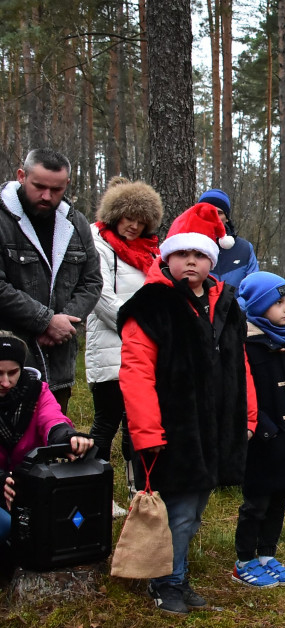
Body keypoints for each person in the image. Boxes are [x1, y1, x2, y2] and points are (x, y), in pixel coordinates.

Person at [118, 203, 258, 614]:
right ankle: (166, 582)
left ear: (212, 260)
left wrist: (247, 416)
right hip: (172, 429)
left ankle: (177, 575)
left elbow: (241, 364)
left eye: (199, 254)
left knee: (195, 510)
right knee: (178, 510)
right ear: (168, 257)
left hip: (215, 426)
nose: (191, 261)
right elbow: (136, 372)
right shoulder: (150, 305)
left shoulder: (226, 304)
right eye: (182, 254)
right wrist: (147, 432)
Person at [231, 272, 285, 588]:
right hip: (263, 438)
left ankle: (267, 555)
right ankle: (244, 560)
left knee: (280, 498)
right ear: (258, 306)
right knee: (257, 502)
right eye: (278, 303)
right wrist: (265, 428)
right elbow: (243, 391)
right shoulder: (246, 343)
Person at [0, 148, 102, 413]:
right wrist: (45, 321)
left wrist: (62, 324)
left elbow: (91, 282)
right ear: (21, 176)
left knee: (54, 432)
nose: (47, 196)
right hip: (6, 366)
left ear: (66, 184)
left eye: (56, 189)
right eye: (39, 186)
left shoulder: (76, 223)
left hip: (58, 364)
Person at [85, 177, 163, 489]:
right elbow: (99, 296)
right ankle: (96, 494)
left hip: (143, 350)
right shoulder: (97, 243)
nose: (134, 226)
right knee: (106, 422)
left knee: (137, 424)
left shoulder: (151, 251)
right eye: (129, 217)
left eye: (141, 221)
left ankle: (138, 491)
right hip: (110, 349)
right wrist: (142, 324)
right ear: (115, 214)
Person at [1, 331, 95, 545]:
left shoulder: (37, 392)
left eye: (12, 372)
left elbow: (52, 419)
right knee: (5, 525)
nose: (6, 382)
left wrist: (67, 438)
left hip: (27, 487)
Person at [198, 189, 259, 289]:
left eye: (219, 212)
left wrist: (234, 300)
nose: (214, 216)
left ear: (226, 218)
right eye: (209, 211)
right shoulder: (187, 247)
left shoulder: (245, 249)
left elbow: (253, 288)